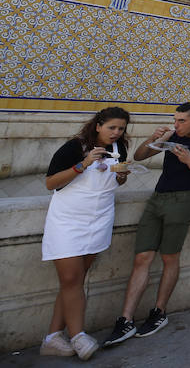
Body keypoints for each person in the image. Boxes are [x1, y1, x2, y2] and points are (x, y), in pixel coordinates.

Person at [103, 102, 190, 347]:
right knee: (142, 256)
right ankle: (125, 319)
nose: (176, 125)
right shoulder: (174, 134)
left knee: (169, 257)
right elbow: (140, 156)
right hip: (158, 197)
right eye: (175, 120)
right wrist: (152, 138)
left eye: (182, 121)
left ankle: (159, 312)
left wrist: (189, 159)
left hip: (183, 199)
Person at [40, 107, 131, 359]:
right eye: (112, 127)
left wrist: (122, 176)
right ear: (98, 125)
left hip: (98, 219)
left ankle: (52, 338)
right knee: (70, 280)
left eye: (121, 128)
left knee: (75, 282)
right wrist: (84, 164)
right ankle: (78, 336)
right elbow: (51, 183)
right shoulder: (74, 147)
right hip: (68, 222)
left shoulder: (119, 149)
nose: (116, 133)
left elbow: (116, 182)